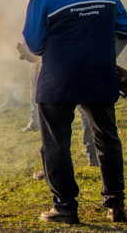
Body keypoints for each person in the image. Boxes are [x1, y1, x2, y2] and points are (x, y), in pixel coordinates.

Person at [22, 0, 127, 225]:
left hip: (58, 79)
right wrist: (103, 56)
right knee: (107, 139)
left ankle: (66, 208)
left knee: (56, 143)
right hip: (100, 73)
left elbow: (34, 44)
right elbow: (124, 29)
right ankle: (116, 206)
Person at [17, 42, 99, 170]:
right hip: (79, 62)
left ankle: (54, 168)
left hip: (52, 70)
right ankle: (93, 156)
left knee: (54, 120)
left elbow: (34, 49)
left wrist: (28, 52)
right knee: (85, 112)